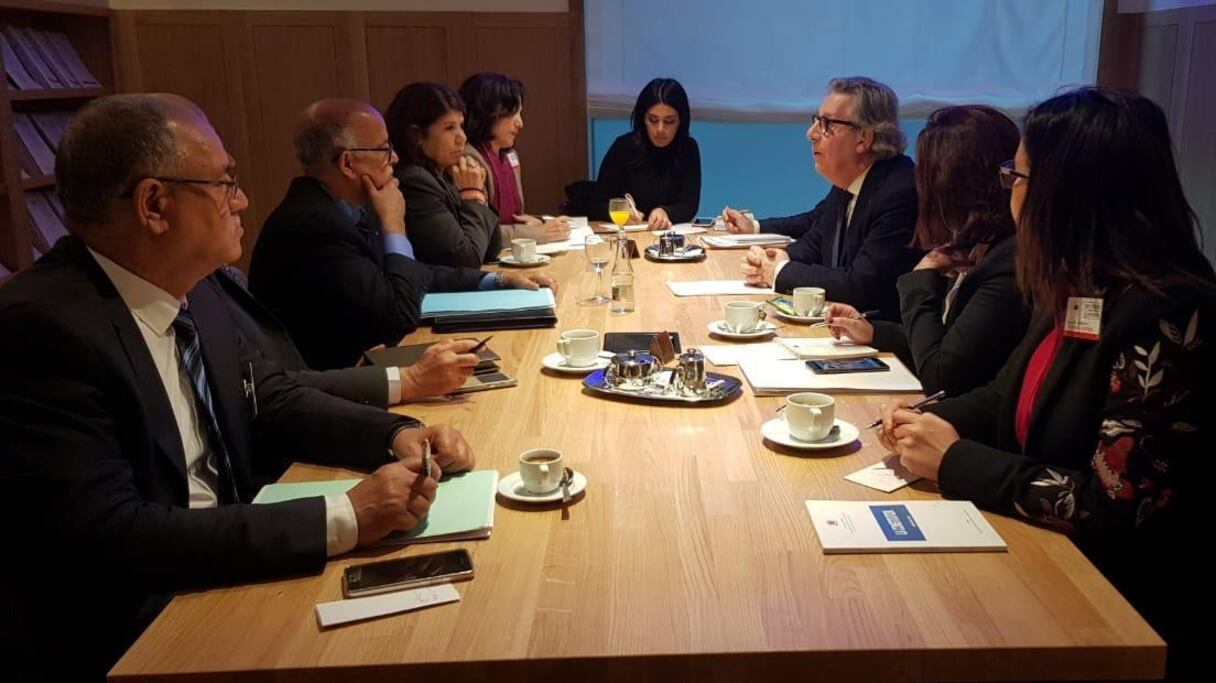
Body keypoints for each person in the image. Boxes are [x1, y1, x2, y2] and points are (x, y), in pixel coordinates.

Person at [0, 93, 477, 680]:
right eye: (226, 184)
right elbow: (114, 538)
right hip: (142, 634)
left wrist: (399, 435)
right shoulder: (42, 329)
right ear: (155, 203)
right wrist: (345, 515)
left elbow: (269, 395)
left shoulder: (195, 287)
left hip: (232, 564)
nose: (243, 200)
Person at [877, 88, 1213, 680]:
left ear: (1068, 196)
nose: (1011, 190)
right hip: (1043, 558)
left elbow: (1116, 509)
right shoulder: (1079, 283)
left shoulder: (1172, 315)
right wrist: (935, 415)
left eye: (1019, 175)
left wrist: (954, 461)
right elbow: (1006, 393)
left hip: (1118, 612)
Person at [250, 98, 554, 371]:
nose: (394, 158)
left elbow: (416, 274)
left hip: (369, 367)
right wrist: (394, 225)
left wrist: (496, 281)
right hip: (340, 392)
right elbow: (399, 314)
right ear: (348, 163)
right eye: (384, 149)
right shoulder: (313, 226)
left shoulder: (345, 208)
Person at [824, 106, 1029, 395]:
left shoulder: (1008, 264)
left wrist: (923, 276)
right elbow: (945, 342)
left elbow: (941, 374)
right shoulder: (977, 245)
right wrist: (873, 331)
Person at [732, 77, 920, 320]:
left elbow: (861, 285)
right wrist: (773, 261)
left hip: (884, 345)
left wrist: (779, 272)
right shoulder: (848, 182)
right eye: (816, 121)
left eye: (827, 124)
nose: (811, 134)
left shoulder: (898, 191)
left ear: (864, 138)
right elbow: (814, 243)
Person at [216, 265, 478, 406]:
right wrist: (408, 380)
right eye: (225, 184)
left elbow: (272, 384)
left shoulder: (222, 280)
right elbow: (399, 313)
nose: (240, 201)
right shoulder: (314, 222)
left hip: (314, 407)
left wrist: (364, 379)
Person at [387, 82, 502, 268]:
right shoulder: (414, 181)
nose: (462, 138)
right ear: (416, 135)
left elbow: (491, 247)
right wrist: (472, 194)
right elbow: (466, 259)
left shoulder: (444, 173)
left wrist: (478, 194)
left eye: (461, 126)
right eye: (449, 128)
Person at [458, 72, 571, 244]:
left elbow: (514, 218)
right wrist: (539, 233)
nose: (520, 123)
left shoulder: (509, 156)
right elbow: (483, 233)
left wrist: (538, 222)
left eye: (520, 113)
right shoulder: (468, 159)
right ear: (487, 112)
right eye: (512, 114)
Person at [590, 77, 701, 230]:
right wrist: (621, 212)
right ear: (642, 119)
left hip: (669, 238)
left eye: (669, 121)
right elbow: (596, 204)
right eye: (653, 120)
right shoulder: (624, 146)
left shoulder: (688, 148)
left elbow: (689, 205)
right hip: (628, 235)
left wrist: (666, 212)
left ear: (681, 121)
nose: (660, 129)